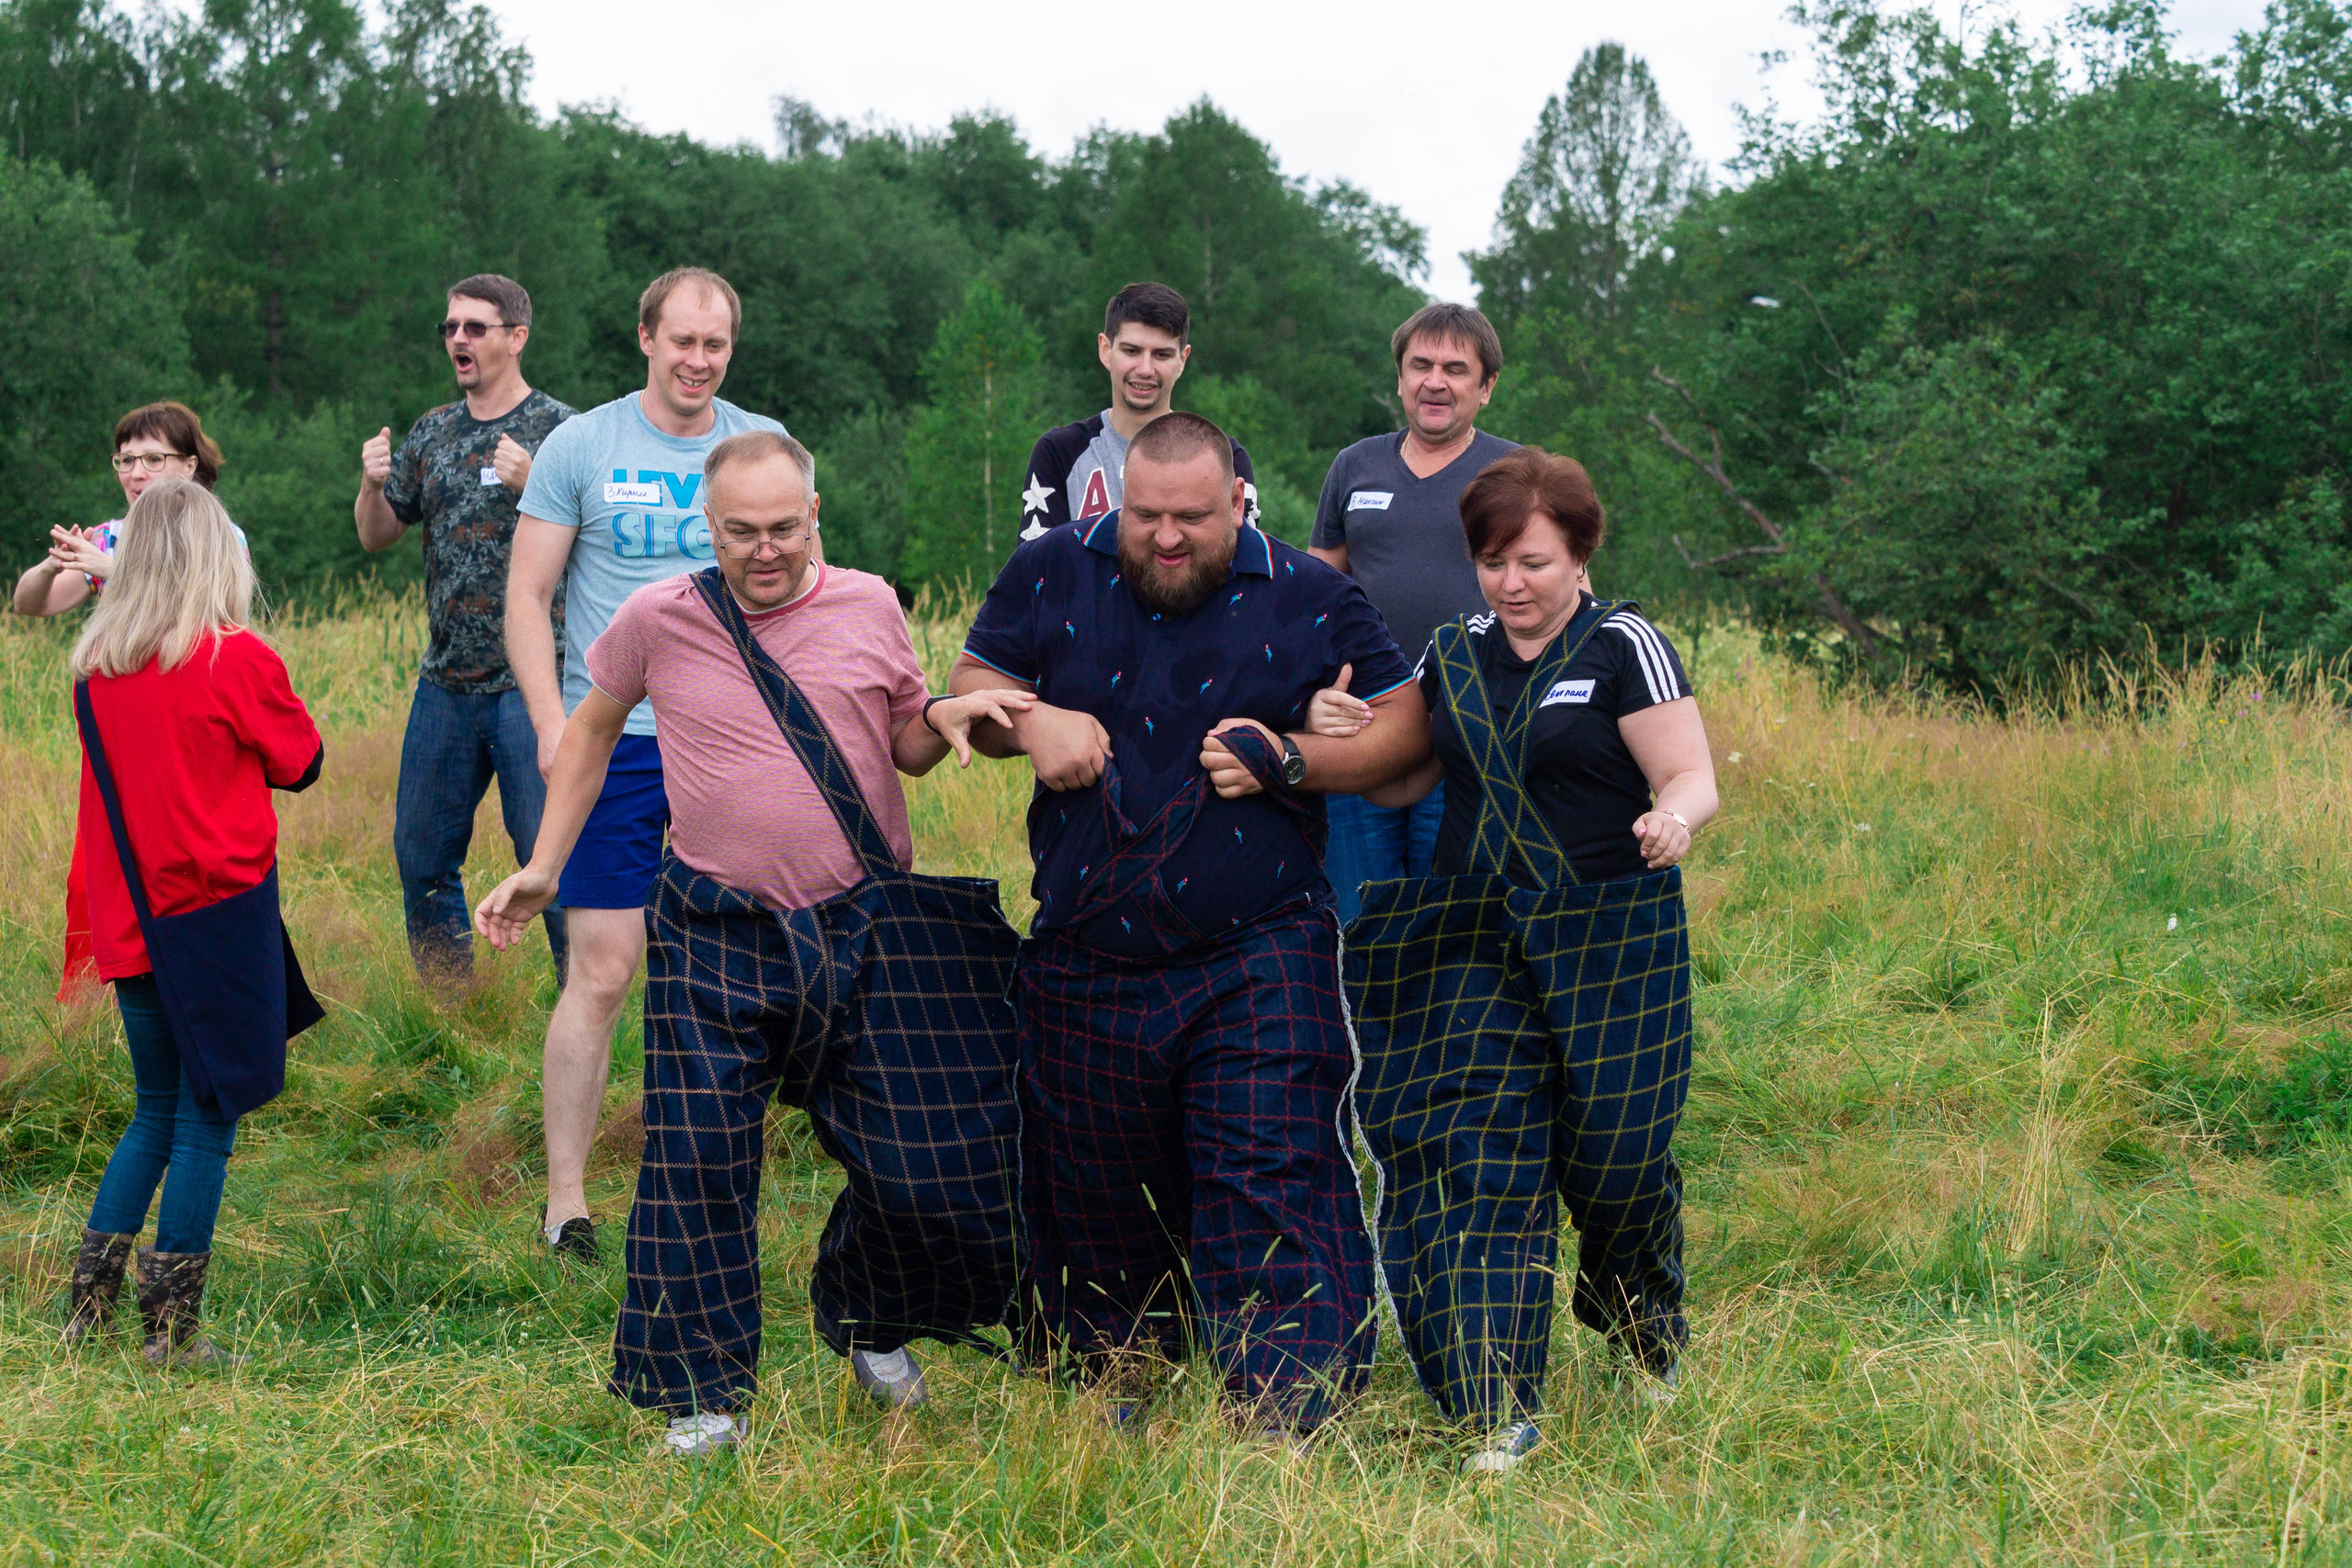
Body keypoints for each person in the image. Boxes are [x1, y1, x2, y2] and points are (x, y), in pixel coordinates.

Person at [475, 431, 1035, 1455]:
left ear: (815, 516)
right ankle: (704, 1397)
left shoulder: (869, 601)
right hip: (714, 925)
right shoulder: (660, 618)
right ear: (709, 524)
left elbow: (903, 738)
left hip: (865, 923)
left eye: (784, 528)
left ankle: (871, 1314)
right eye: (741, 532)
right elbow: (595, 730)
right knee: (696, 1164)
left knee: (924, 1160)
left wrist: (951, 712)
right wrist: (547, 864)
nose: (764, 550)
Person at [951, 412, 1430, 1437]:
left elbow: (1407, 733)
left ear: (1238, 505)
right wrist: (1030, 722)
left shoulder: (1311, 593)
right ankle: (1114, 1376)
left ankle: (1285, 1403)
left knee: (1266, 1162)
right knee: (1092, 1179)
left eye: (1192, 519)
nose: (1166, 539)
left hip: (1257, 938)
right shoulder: (1047, 571)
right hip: (1086, 937)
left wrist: (1293, 758)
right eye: (1147, 515)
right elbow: (970, 687)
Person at [1319, 446, 1717, 1473]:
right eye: (1493, 561)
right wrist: (1330, 730)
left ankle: (1643, 1321)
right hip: (1475, 944)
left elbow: (1688, 774)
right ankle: (1497, 1403)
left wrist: (1671, 820)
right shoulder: (1451, 650)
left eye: (1532, 561)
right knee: (1479, 1167)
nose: (1511, 583)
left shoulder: (1627, 646)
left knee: (1618, 1167)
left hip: (1609, 937)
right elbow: (1404, 782)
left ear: (1580, 555)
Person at [505, 266, 787, 1264]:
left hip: (727, 747)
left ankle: (702, 1179)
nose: (699, 362)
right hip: (612, 748)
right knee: (604, 966)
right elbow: (528, 596)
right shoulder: (581, 446)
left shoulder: (757, 450)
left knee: (724, 970)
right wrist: (550, 722)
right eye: (682, 342)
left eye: (715, 346)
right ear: (645, 339)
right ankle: (568, 1204)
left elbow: (798, 588)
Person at [59, 478, 323, 1369]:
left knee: (153, 1112)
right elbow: (301, 760)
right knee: (210, 1117)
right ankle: (171, 1334)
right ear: (216, 558)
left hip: (132, 925)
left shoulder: (98, 669)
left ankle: (85, 1309)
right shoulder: (233, 658)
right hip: (214, 918)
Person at [355, 274, 576, 990]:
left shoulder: (563, 433)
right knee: (421, 858)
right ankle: (450, 1009)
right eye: (451, 326)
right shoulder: (433, 431)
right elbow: (379, 535)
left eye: (476, 327)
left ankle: (585, 1002)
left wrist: (534, 481)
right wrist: (370, 484)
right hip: (445, 681)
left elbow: (602, 542)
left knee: (549, 856)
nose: (458, 339)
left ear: (517, 337)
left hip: (533, 683)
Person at [1306, 303, 1518, 927]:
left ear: (1486, 387)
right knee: (1357, 916)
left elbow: (1566, 594)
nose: (1435, 381)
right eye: (1420, 365)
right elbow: (1316, 594)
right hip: (1360, 727)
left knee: (1453, 921)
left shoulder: (1516, 474)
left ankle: (1447, 1028)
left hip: (1474, 735)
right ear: (1399, 378)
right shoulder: (1355, 466)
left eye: (1456, 369)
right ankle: (1358, 1028)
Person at [1017, 282, 1261, 542]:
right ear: (1105, 350)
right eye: (1131, 351)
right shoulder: (1059, 453)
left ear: (1182, 360)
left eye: (1162, 355)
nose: (1145, 369)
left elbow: (1244, 568)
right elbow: (1036, 571)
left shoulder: (1224, 457)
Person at [14, 402, 234, 617]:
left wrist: (115, 571)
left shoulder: (222, 537)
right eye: (127, 460)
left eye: (154, 459)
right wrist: (53, 565)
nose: (136, 473)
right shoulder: (109, 539)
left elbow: (213, 618)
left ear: (190, 466)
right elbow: (26, 605)